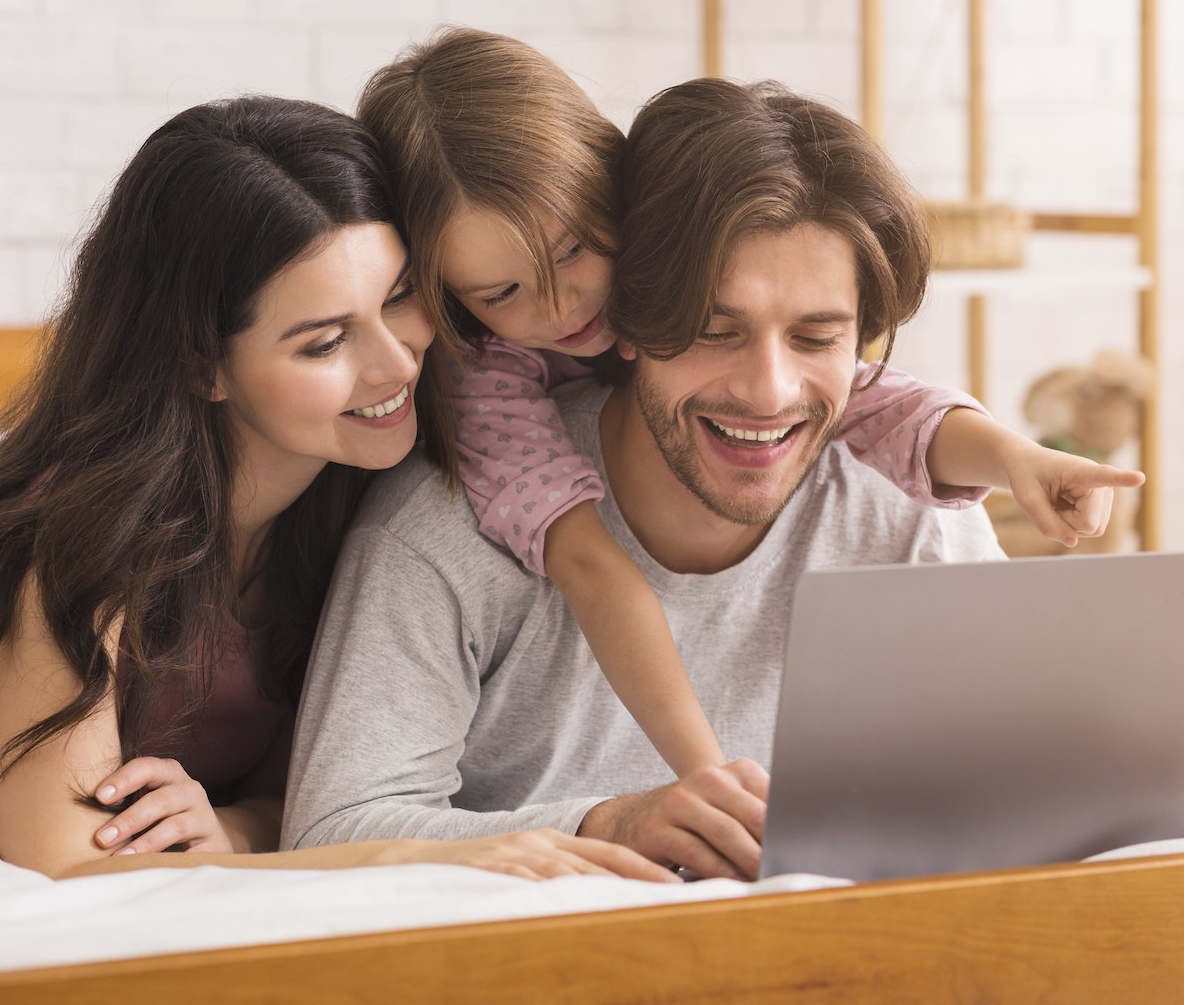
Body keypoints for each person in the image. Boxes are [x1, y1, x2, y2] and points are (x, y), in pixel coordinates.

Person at [0, 97, 670, 885]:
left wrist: (242, 827)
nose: (397, 365)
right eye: (322, 342)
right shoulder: (76, 539)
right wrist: (438, 861)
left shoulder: (376, 474)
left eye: (400, 299)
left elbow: (296, 783)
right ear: (200, 367)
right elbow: (65, 863)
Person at [282, 78, 1067, 880]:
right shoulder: (446, 527)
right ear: (634, 319)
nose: (769, 391)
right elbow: (330, 831)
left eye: (816, 337)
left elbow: (1026, 792)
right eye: (712, 332)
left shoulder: (913, 507)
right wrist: (613, 824)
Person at [352, 29, 1142, 778]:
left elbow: (881, 405)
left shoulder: (901, 499)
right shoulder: (478, 422)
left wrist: (1015, 459)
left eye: (576, 251)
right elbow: (595, 569)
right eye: (712, 330)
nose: (565, 308)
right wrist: (713, 780)